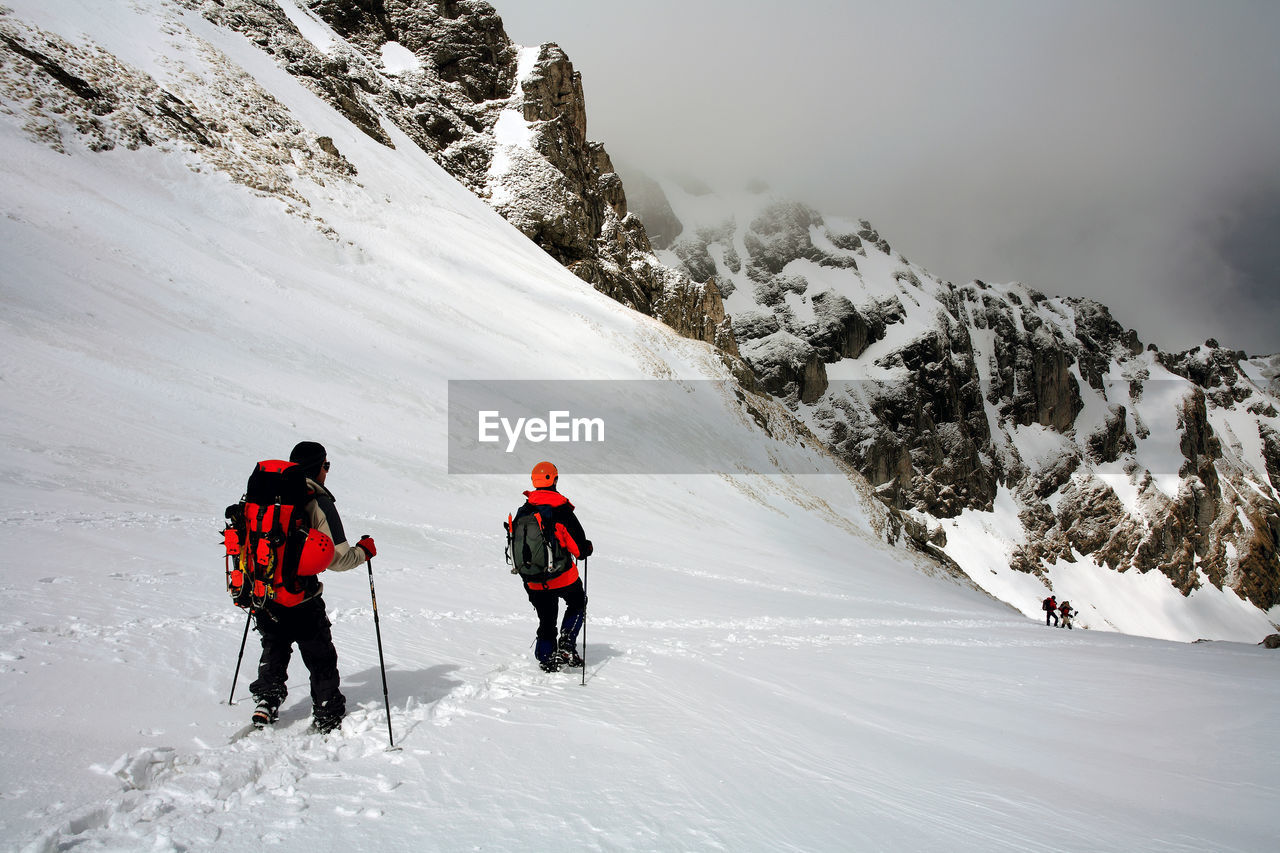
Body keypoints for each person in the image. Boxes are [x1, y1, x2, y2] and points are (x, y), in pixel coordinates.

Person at [249, 441, 376, 733]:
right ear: (316, 467)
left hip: (264, 590)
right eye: (326, 465)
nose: (327, 471)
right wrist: (365, 552)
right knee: (319, 653)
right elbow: (339, 559)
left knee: (274, 644)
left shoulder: (268, 494)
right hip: (300, 594)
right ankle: (327, 709)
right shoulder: (316, 501)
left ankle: (266, 700)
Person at [517, 461, 592, 672]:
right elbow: (579, 551)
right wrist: (587, 548)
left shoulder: (524, 510)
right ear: (555, 479)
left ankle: (546, 657)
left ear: (534, 481)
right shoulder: (562, 510)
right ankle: (567, 642)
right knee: (578, 602)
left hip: (532, 579)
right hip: (561, 576)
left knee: (547, 617)